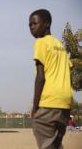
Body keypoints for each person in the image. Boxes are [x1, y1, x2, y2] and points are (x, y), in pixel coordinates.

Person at [29, 9, 73, 149]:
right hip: (65, 103)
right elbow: (68, 72)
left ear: (46, 24)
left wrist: (35, 107)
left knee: (45, 140)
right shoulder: (60, 46)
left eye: (34, 23)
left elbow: (40, 77)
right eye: (29, 25)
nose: (31, 27)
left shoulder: (41, 42)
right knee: (55, 143)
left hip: (49, 101)